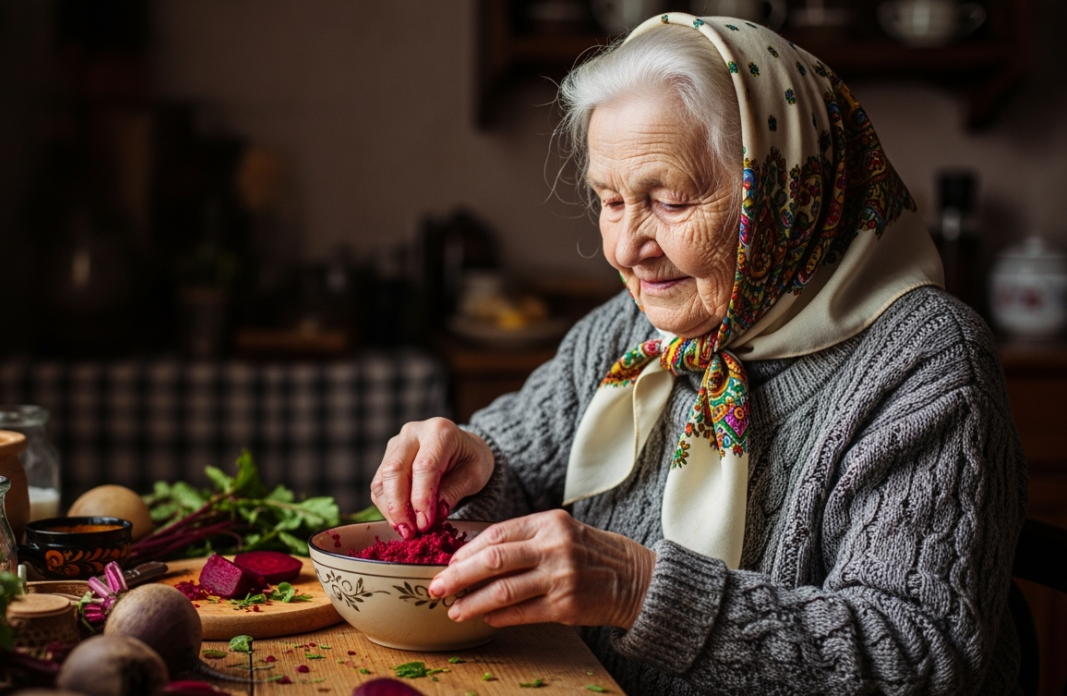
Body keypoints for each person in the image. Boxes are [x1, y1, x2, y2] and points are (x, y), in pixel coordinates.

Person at [370, 13, 1025, 695]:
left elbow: (919, 661)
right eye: (609, 200)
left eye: (672, 201)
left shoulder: (924, 361)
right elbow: (516, 466)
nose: (627, 247)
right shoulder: (625, 331)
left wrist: (637, 588)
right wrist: (473, 465)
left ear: (782, 191)